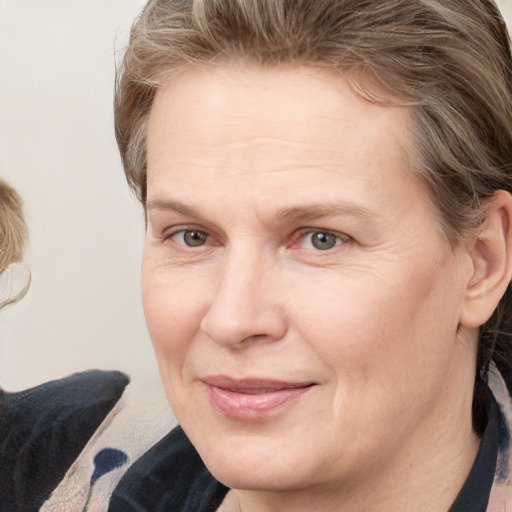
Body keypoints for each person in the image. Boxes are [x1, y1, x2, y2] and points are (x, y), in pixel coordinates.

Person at [106, 0, 512, 511]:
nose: (232, 320)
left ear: (481, 261)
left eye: (321, 238)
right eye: (192, 236)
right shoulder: (42, 464)